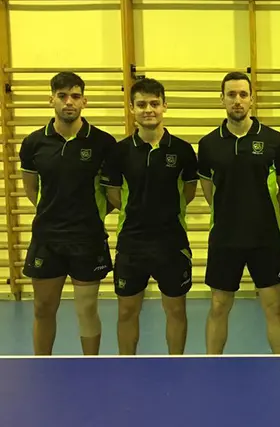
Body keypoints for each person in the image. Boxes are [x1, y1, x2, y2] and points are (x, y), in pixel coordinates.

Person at [19, 71, 116, 355]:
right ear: (52, 100)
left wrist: (91, 215)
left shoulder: (103, 143)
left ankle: (91, 366)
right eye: (62, 96)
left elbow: (111, 196)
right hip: (48, 239)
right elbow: (31, 189)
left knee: (87, 309)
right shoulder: (34, 143)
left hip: (88, 238)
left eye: (75, 96)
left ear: (84, 101)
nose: (68, 102)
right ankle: (42, 364)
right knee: (43, 307)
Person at [198, 71, 280, 354]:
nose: (237, 101)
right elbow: (208, 189)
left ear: (252, 98)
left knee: (274, 306)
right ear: (222, 100)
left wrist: (267, 217)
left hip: (265, 238)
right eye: (231, 95)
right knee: (218, 305)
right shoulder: (208, 144)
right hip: (225, 238)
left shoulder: (275, 140)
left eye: (242, 94)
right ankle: (212, 364)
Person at [101, 78, 198, 355]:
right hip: (132, 243)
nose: (148, 110)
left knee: (176, 310)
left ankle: (176, 364)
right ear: (132, 108)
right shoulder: (119, 152)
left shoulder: (182, 151)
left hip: (172, 242)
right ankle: (126, 364)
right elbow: (113, 195)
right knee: (127, 311)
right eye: (141, 104)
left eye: (154, 103)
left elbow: (188, 192)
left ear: (164, 106)